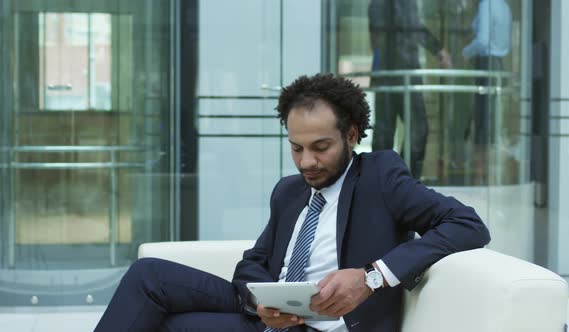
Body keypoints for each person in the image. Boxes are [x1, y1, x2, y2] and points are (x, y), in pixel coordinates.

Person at [95, 73, 490, 332]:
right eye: (296, 148)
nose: (307, 162)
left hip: (328, 326)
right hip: (273, 317)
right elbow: (254, 260)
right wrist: (260, 302)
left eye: (321, 147)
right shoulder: (289, 191)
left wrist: (372, 277)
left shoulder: (381, 177)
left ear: (351, 135)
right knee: (148, 277)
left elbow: (468, 224)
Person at [368, 0, 452, 179]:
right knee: (415, 129)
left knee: (385, 131)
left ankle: (384, 180)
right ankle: (401, 180)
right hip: (401, 71)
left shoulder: (377, 4)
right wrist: (438, 50)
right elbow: (412, 27)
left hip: (387, 73)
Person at [462, 0, 512, 184]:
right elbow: (508, 43)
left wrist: (465, 52)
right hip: (499, 66)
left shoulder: (486, 4)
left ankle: (479, 177)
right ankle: (490, 176)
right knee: (491, 124)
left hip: (485, 66)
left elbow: (482, 41)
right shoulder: (505, 7)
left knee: (481, 125)